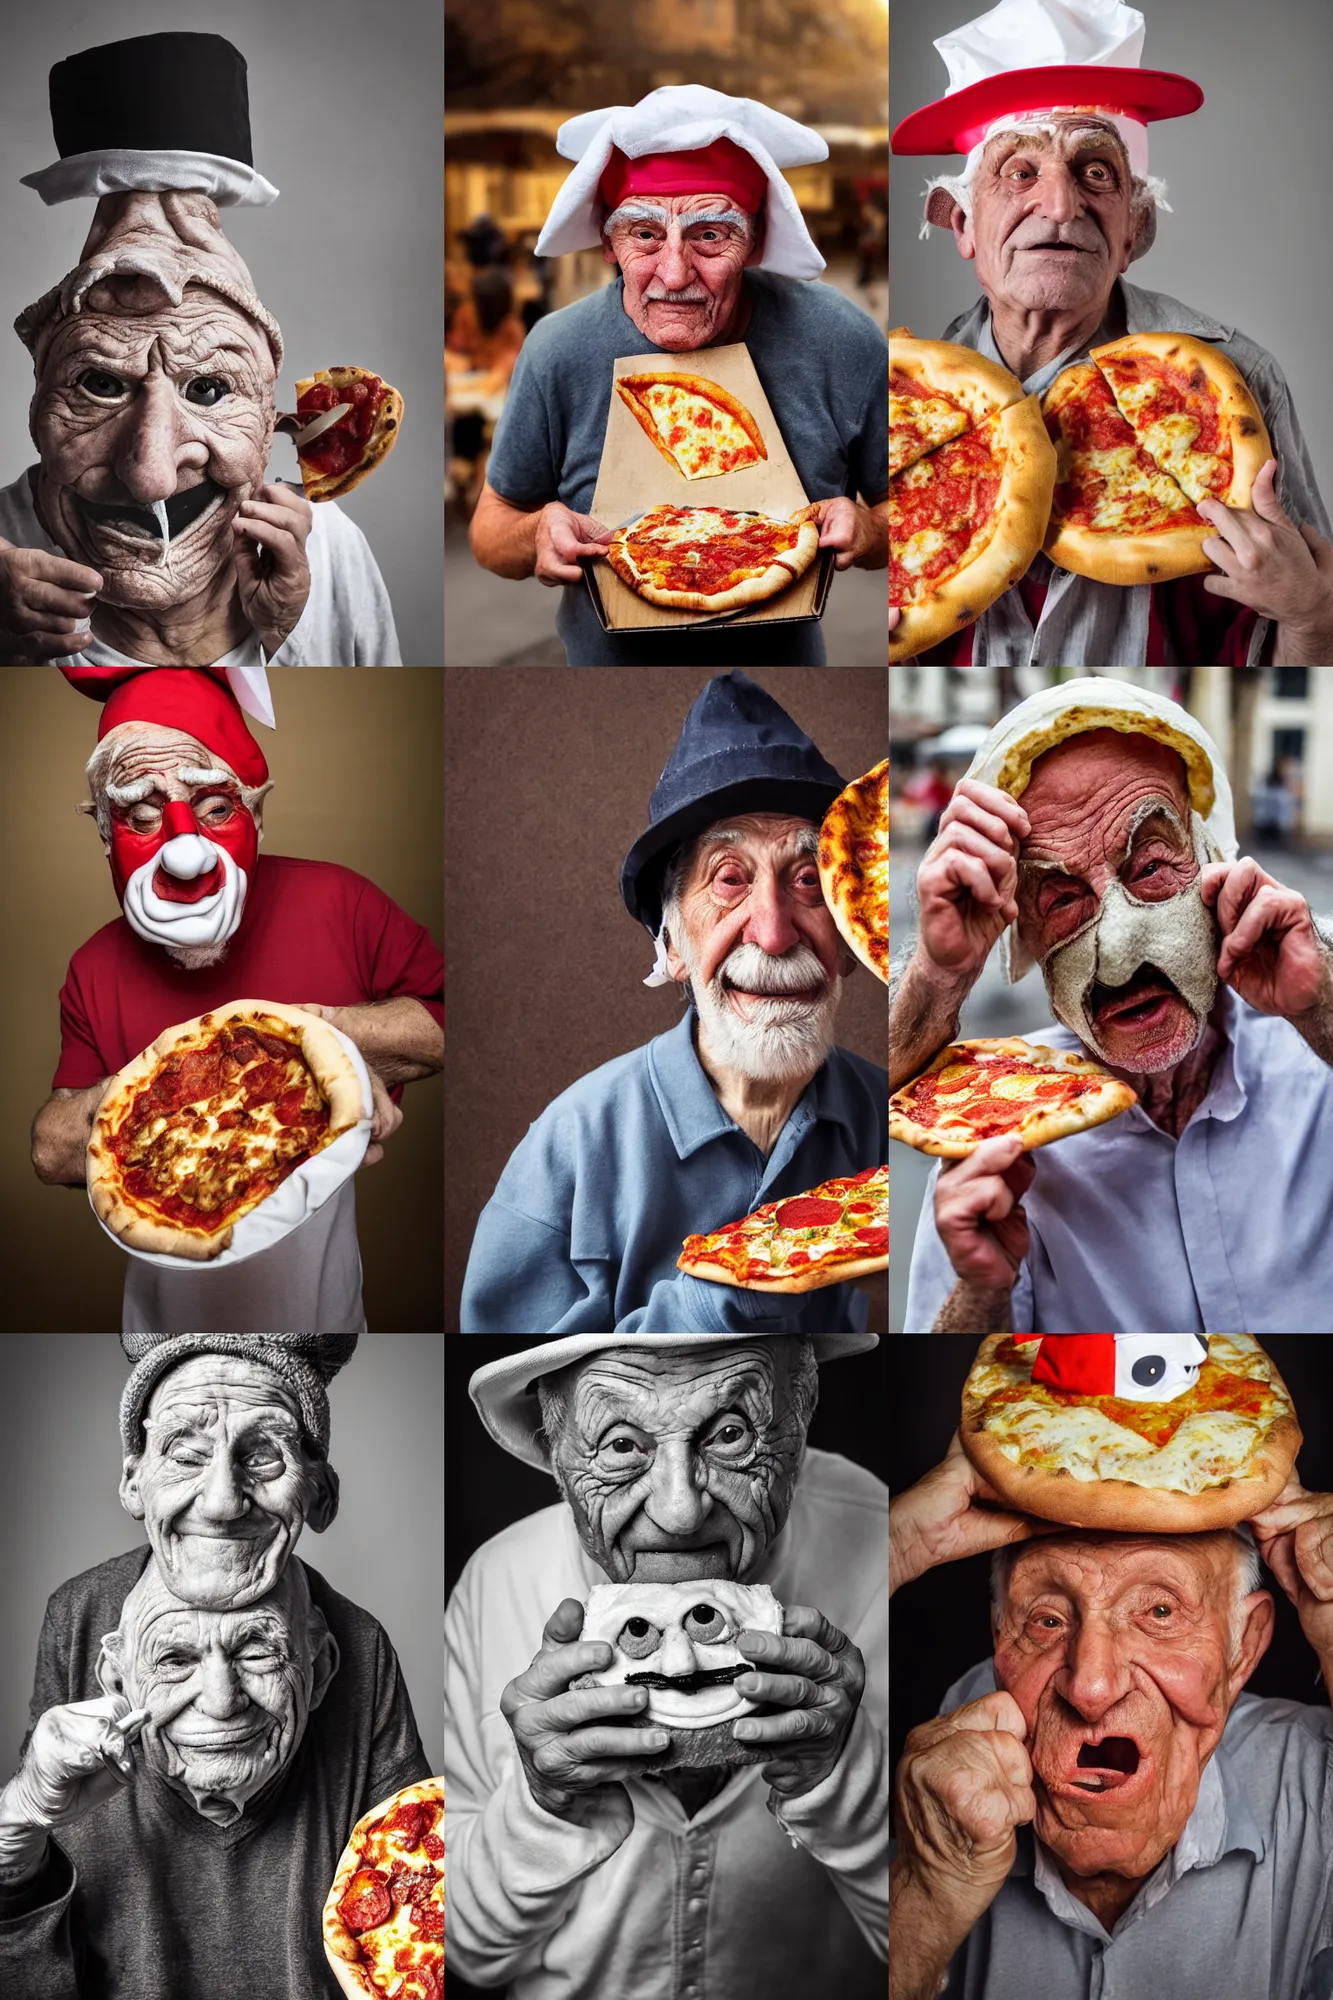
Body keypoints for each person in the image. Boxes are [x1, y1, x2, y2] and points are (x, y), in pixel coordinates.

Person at [889, 0, 1333, 669]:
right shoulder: (898, 399)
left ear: (1133, 231)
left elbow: (1308, 653)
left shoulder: (1236, 380)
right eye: (1018, 171)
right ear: (961, 226)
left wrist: (1312, 615)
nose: (1061, 205)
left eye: (1095, 172)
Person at [445, 1331, 888, 1997]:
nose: (679, 1512)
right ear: (553, 1456)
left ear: (797, 1429)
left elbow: (934, 1958)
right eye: (622, 1445)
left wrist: (842, 1775)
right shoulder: (497, 1580)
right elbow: (469, 1956)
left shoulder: (885, 1538)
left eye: (730, 1434)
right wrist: (545, 1805)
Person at [0, 1329, 430, 2000]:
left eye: (263, 1457)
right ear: (133, 1482)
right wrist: (22, 1809)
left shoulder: (359, 1643)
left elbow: (411, 1922)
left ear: (318, 1493)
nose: (224, 1501)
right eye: (185, 1453)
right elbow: (26, 1954)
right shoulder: (82, 1615)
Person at [893, 676, 1333, 1332]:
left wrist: (1320, 1006)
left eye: (1152, 868)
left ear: (1212, 869)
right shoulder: (995, 1125)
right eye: (1061, 900)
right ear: (1028, 941)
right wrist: (981, 1288)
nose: (1118, 953)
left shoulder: (1315, 1053)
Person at [461, 673, 886, 1332]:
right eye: (728, 881)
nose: (773, 935)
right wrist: (745, 1280)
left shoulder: (893, 1119)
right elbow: (519, 1380)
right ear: (671, 946)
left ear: (854, 929)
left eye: (807, 882)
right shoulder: (569, 1145)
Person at [29, 667, 444, 1335]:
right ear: (105, 835)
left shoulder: (342, 900)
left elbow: (452, 1022)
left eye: (217, 808)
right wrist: (165, 1089)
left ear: (256, 811)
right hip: (161, 1327)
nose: (185, 855)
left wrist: (326, 1046)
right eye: (139, 816)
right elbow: (50, 1152)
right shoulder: (93, 965)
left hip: (324, 1312)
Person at [0, 33, 400, 666]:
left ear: (273, 427)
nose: (151, 475)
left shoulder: (328, 551)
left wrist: (289, 638)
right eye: (101, 384)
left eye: (209, 389)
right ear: (38, 399)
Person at [888, 1433, 1333, 2000]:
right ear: (1000, 1637)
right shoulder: (940, 1772)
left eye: (1160, 1611)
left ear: (1242, 1648)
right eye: (1047, 1619)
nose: (1091, 1687)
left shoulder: (1315, 1781)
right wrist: (922, 1900)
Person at [468, 85, 889, 665]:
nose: (673, 273)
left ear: (757, 240)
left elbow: (911, 512)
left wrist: (868, 527)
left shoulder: (843, 341)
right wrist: (536, 532)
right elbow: (490, 531)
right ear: (608, 244)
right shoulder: (558, 350)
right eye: (644, 235)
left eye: (710, 236)